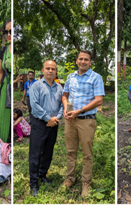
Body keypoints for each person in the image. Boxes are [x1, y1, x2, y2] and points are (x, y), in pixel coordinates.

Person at [60, 50, 105, 198]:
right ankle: (70, 178)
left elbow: (99, 100)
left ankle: (86, 182)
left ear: (90, 62)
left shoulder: (96, 77)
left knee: (87, 153)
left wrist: (80, 111)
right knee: (71, 151)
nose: (83, 61)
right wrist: (66, 107)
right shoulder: (70, 77)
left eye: (86, 59)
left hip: (86, 120)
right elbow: (65, 95)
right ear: (77, 61)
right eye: (81, 59)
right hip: (70, 120)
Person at [28, 60, 64, 197]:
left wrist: (56, 118)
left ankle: (42, 175)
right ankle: (33, 183)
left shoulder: (59, 87)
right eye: (47, 68)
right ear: (42, 70)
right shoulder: (36, 86)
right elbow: (34, 105)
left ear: (56, 71)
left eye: (53, 68)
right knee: (35, 154)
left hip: (53, 124)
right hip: (39, 124)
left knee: (48, 152)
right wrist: (47, 118)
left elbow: (62, 105)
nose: (50, 71)